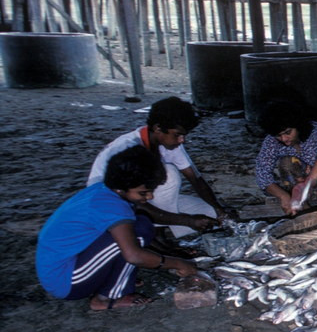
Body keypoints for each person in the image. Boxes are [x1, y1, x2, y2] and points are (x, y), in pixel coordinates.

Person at [39, 146, 197, 311]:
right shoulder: (112, 207)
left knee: (142, 224)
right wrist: (178, 263)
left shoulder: (103, 190)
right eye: (143, 193)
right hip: (65, 281)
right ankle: (107, 298)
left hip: (67, 263)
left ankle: (112, 278)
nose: (150, 197)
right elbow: (134, 256)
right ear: (123, 188)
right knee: (136, 237)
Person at [87, 96, 230, 239]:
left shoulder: (170, 143)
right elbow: (128, 201)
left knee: (210, 213)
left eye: (184, 135)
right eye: (178, 135)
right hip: (114, 207)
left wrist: (219, 210)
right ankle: (158, 235)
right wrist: (187, 220)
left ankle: (162, 227)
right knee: (169, 176)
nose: (182, 140)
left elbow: (196, 180)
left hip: (143, 199)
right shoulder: (127, 147)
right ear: (158, 128)